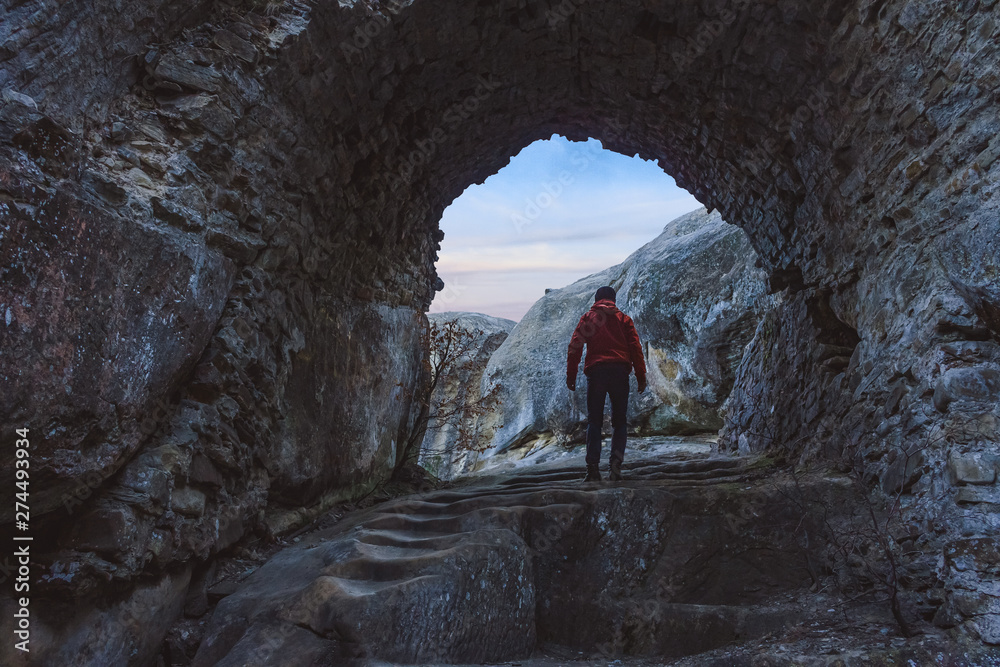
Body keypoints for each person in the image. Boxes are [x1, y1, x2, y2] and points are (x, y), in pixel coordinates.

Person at [566, 285, 647, 482]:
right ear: (613, 300)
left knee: (595, 421)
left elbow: (575, 347)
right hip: (620, 372)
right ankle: (615, 468)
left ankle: (592, 469)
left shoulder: (589, 318)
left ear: (596, 300)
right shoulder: (624, 319)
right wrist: (641, 375)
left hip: (597, 372)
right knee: (619, 422)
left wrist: (571, 375)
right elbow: (635, 348)